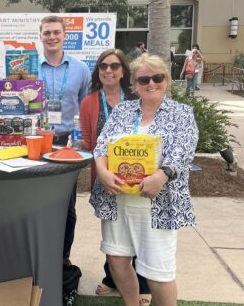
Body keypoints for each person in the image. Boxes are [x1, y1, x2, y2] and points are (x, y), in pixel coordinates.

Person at [92, 54, 198, 306]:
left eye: (157, 77)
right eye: (144, 79)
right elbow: (101, 147)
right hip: (117, 201)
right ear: (134, 84)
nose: (151, 83)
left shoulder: (181, 113)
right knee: (117, 260)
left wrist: (163, 176)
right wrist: (102, 171)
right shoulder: (122, 110)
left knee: (159, 273)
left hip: (157, 203)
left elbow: (183, 151)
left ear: (167, 79)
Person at [79, 49, 151, 305]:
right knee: (113, 234)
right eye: (103, 66)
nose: (108, 71)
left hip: (139, 177)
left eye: (114, 66)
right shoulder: (89, 101)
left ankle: (142, 284)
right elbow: (88, 142)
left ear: (123, 72)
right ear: (98, 71)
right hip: (106, 179)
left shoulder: (136, 97)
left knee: (138, 233)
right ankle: (112, 281)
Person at [39, 15, 91, 267]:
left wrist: (80, 138)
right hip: (35, 143)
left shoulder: (80, 69)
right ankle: (39, 253)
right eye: (47, 32)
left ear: (64, 35)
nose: (51, 37)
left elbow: (86, 106)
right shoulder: (28, 67)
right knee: (34, 201)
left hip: (67, 143)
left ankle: (63, 257)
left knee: (67, 206)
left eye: (56, 32)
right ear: (41, 36)